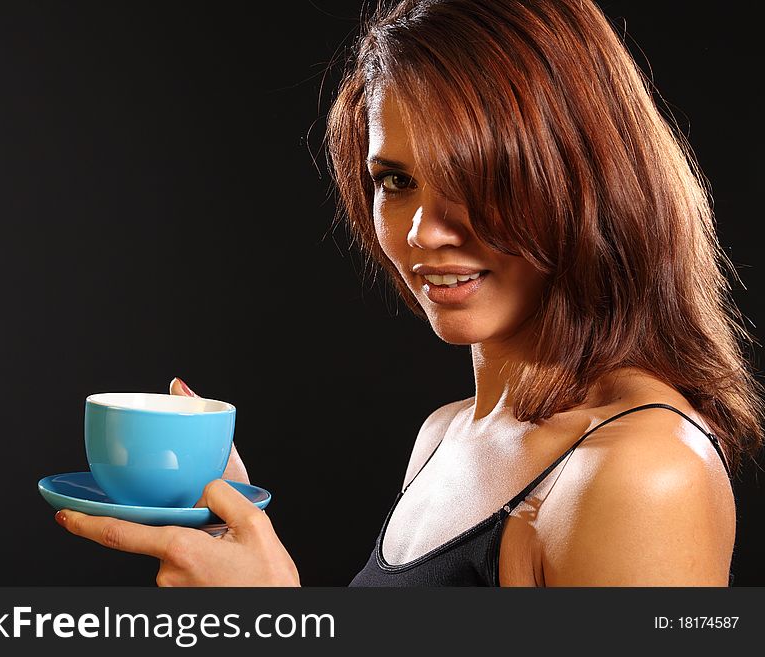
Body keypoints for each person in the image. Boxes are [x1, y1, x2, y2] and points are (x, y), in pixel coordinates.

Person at [55, 0, 764, 586]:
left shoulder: (643, 471)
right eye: (396, 181)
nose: (425, 232)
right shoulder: (445, 434)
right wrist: (233, 534)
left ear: (585, 179)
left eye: (479, 179)